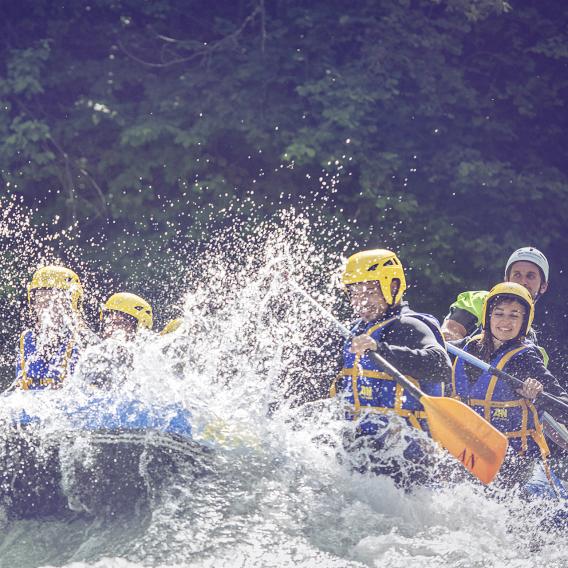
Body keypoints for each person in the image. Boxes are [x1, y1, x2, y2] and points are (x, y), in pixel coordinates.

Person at [331, 249, 452, 487]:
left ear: (393, 287)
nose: (361, 301)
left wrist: (382, 349)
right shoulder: (354, 332)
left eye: (370, 292)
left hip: (406, 460)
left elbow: (441, 366)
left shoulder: (410, 325)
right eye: (355, 293)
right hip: (359, 451)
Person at [450, 282, 568, 489]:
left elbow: (561, 403)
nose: (505, 321)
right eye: (499, 313)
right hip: (469, 451)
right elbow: (430, 358)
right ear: (488, 316)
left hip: (514, 462)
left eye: (514, 315)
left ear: (524, 321)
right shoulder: (468, 348)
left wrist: (537, 394)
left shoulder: (526, 359)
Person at [442, 247, 549, 343]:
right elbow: (450, 332)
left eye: (530, 276)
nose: (522, 282)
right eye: (517, 275)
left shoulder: (533, 341)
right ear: (506, 280)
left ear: (543, 286)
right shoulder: (480, 300)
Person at [15, 265, 85, 390]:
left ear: (72, 305)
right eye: (42, 300)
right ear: (33, 304)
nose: (48, 309)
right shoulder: (26, 340)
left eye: (55, 302)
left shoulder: (84, 343)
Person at [79, 292, 153, 390]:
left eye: (121, 324)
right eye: (109, 323)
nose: (112, 330)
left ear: (138, 331)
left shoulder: (146, 366)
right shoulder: (91, 354)